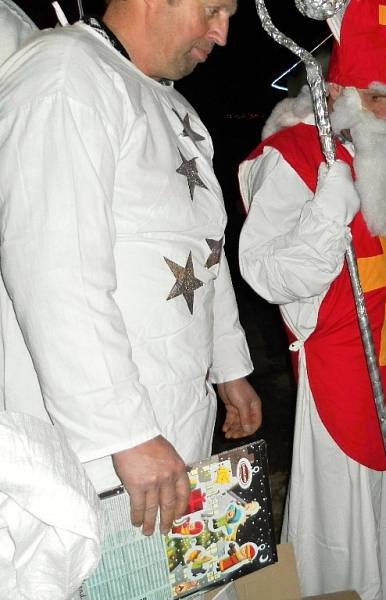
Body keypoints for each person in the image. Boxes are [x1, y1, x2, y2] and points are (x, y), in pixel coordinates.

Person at [0, 0, 261, 540]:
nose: (223, 32)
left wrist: (229, 366)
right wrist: (126, 434)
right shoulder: (67, 75)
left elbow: (202, 249)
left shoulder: (174, 104)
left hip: (173, 413)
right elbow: (54, 273)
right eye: (213, 8)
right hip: (99, 451)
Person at [237, 1, 386, 598]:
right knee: (340, 513)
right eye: (375, 97)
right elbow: (265, 273)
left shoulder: (381, 158)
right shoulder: (292, 156)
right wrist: (327, 210)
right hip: (337, 364)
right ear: (337, 89)